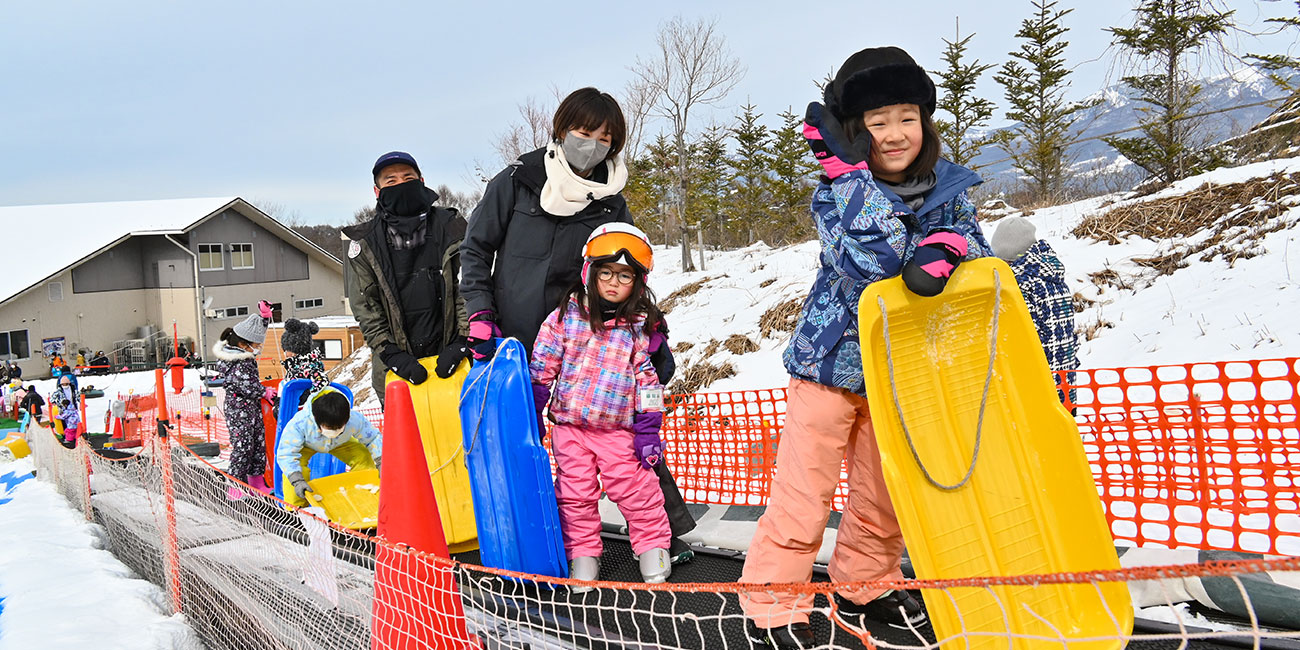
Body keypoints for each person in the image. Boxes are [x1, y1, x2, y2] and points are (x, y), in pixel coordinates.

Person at [740, 46, 993, 649]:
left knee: (885, 492)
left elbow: (976, 249)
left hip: (902, 372)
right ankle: (774, 601)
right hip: (828, 367)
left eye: (907, 116)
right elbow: (873, 263)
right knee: (805, 491)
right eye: (878, 122)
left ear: (925, 122)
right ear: (855, 133)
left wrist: (953, 243)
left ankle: (865, 583)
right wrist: (848, 176)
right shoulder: (835, 193)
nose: (896, 133)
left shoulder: (951, 188)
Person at [462, 87, 697, 564]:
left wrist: (648, 323)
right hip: (519, 336)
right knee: (525, 442)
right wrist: (480, 312)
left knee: (627, 434)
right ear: (561, 129)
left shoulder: (612, 201)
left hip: (592, 335)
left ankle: (662, 533)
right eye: (583, 132)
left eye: (603, 137)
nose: (591, 144)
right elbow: (474, 250)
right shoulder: (518, 181)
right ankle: (529, 536)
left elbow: (626, 263)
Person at [529, 224, 672, 590]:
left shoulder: (640, 327)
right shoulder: (566, 316)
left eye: (623, 276)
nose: (612, 283)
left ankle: (653, 548)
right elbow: (543, 365)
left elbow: (648, 383)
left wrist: (648, 431)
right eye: (605, 273)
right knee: (574, 494)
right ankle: (583, 555)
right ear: (589, 273)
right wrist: (533, 408)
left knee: (636, 489)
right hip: (571, 429)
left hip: (617, 431)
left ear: (637, 283)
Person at [342, 151, 471, 405]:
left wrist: (462, 342)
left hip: (457, 366)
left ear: (421, 181)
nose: (400, 184)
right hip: (397, 374)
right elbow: (366, 308)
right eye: (390, 181)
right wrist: (391, 355)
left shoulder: (452, 227)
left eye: (407, 177)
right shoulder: (365, 243)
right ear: (377, 191)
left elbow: (467, 286)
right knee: (409, 443)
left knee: (465, 439)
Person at [990, 216, 1080, 408]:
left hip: (1038, 388)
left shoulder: (1021, 285)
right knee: (1064, 434)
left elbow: (1017, 336)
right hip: (1065, 382)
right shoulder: (1053, 277)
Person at [276, 388, 382, 508]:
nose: (334, 431)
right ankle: (296, 511)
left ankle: (361, 498)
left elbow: (373, 438)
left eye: (339, 428)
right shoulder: (300, 423)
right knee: (297, 471)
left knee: (363, 456)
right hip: (307, 444)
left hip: (341, 442)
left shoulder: (354, 419)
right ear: (316, 419)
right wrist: (296, 480)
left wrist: (381, 461)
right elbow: (286, 453)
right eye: (329, 427)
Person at [213, 301, 276, 500]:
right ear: (243, 344)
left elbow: (256, 329)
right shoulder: (238, 361)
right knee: (243, 447)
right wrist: (264, 391)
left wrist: (265, 317)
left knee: (258, 444)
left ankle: (256, 482)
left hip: (251, 409)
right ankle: (235, 485)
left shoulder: (242, 353)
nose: (258, 349)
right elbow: (246, 385)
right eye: (256, 345)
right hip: (239, 408)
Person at [280, 318, 328, 404]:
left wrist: (307, 396)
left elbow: (322, 380)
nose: (285, 354)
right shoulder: (295, 365)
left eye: (286, 350)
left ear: (295, 350)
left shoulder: (307, 366)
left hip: (303, 411)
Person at [53, 374, 80, 445]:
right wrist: (54, 403)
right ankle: (68, 437)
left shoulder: (73, 390)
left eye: (66, 384)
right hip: (64, 408)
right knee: (65, 424)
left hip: (71, 407)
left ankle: (70, 439)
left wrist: (81, 402)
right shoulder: (59, 391)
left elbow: (78, 396)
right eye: (63, 384)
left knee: (70, 428)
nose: (65, 385)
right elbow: (53, 397)